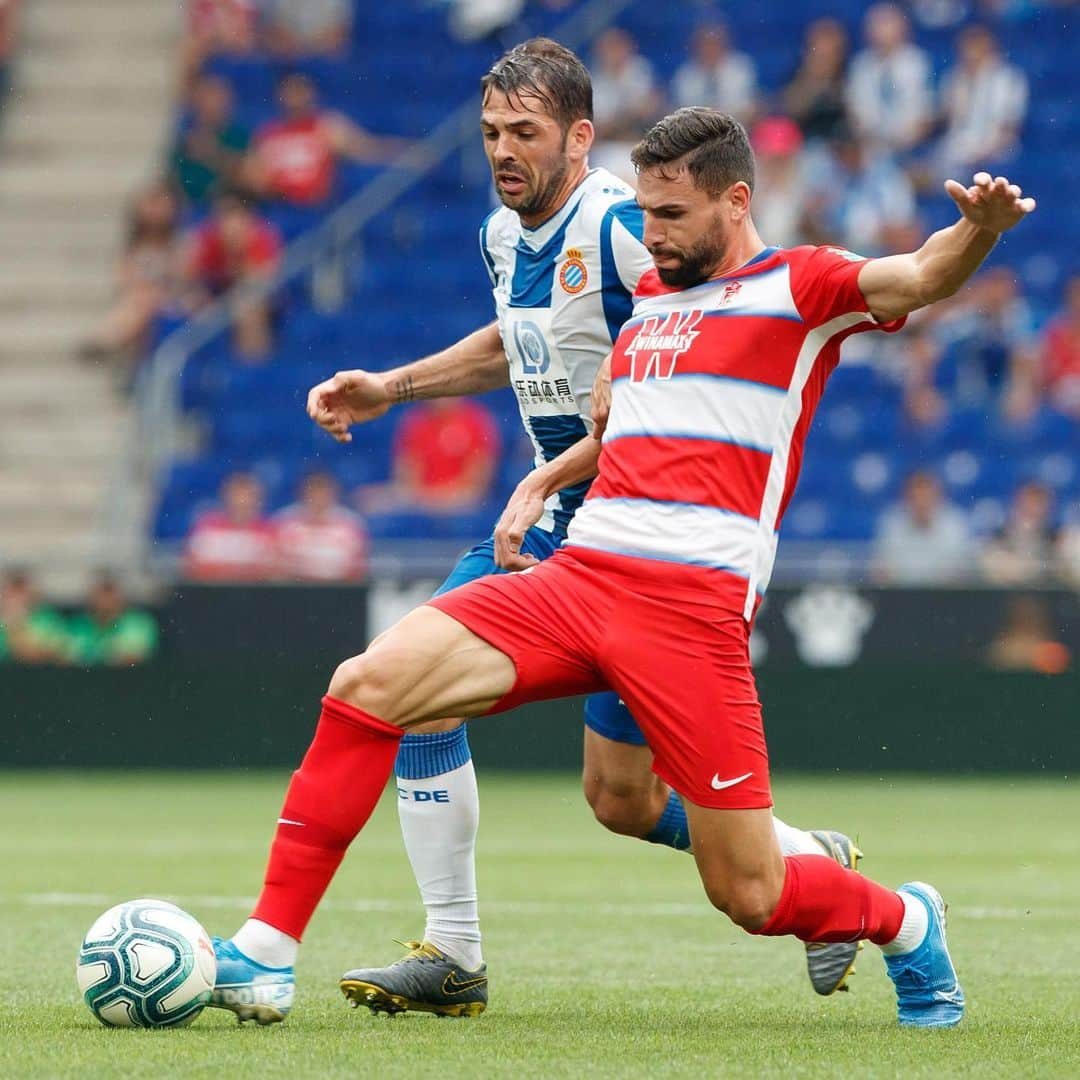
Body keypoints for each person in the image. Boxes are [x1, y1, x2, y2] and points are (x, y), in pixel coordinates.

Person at [211, 109, 1034, 1029]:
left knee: (752, 893)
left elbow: (919, 274)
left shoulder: (798, 288)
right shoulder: (647, 318)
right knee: (370, 685)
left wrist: (979, 232)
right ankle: (267, 953)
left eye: (671, 215)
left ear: (736, 199)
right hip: (581, 579)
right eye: (644, 213)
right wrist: (539, 485)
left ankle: (904, 920)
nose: (652, 236)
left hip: (690, 617)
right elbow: (616, 443)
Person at [248, 73, 406, 208]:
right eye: (289, 92)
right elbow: (256, 179)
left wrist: (407, 153)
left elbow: (367, 150)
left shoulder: (327, 126)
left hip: (317, 207)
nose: (294, 98)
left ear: (310, 94)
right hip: (283, 207)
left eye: (299, 91)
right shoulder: (268, 134)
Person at [81, 181, 183, 377]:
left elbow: (182, 279)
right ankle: (119, 349)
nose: (155, 211)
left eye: (160, 204)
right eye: (151, 204)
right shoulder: (133, 246)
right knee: (141, 300)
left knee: (144, 300)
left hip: (174, 301)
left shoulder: (180, 243)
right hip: (142, 302)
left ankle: (106, 339)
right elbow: (123, 278)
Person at [181, 191, 282, 357]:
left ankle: (251, 370)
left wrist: (238, 254)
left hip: (258, 299)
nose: (228, 225)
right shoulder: (209, 239)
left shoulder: (261, 238)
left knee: (248, 307)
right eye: (223, 217)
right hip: (218, 295)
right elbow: (189, 276)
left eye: (234, 217)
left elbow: (261, 281)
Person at [361, 398, 501, 514]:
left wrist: (431, 500)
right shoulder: (415, 422)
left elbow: (476, 488)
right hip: (421, 501)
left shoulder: (476, 422)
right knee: (369, 501)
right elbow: (407, 480)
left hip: (460, 504)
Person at [846, 4, 933, 158]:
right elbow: (855, 113)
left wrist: (908, 139)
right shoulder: (860, 66)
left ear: (903, 28)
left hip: (911, 145)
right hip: (870, 146)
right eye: (877, 25)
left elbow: (926, 111)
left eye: (888, 24)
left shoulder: (918, 62)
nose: (882, 31)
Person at [873, 470, 972, 584]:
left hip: (945, 595)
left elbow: (961, 572)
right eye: (915, 497)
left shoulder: (955, 523)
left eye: (926, 497)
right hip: (901, 594)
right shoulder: (891, 523)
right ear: (906, 499)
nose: (921, 503)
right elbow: (882, 570)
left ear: (938, 497)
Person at [171, 73, 251, 206]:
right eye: (206, 99)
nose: (211, 105)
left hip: (229, 205)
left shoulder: (239, 136)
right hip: (190, 206)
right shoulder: (186, 135)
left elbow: (245, 174)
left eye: (217, 99)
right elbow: (174, 175)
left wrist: (211, 154)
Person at [274, 471, 368, 582]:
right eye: (314, 491)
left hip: (338, 587)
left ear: (333, 492)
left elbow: (357, 565)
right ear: (303, 492)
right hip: (296, 586)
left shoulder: (351, 523)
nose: (318, 497)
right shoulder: (284, 521)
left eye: (323, 491)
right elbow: (277, 563)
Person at [184, 471, 277, 581]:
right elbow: (192, 566)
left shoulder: (271, 531)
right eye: (237, 494)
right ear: (225, 496)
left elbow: (275, 569)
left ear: (259, 498)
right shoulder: (207, 527)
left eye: (249, 495)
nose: (242, 501)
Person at [670, 22, 758, 127]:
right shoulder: (685, 76)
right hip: (697, 131)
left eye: (714, 43)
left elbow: (752, 105)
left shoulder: (741, 67)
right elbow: (680, 111)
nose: (710, 49)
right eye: (705, 44)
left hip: (736, 126)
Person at [64, 573, 159, 667]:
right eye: (101, 593)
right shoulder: (78, 625)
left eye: (110, 592)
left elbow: (136, 657)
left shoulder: (139, 624)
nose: (105, 600)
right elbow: (69, 656)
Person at [0, 569, 67, 664]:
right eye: (11, 594)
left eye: (20, 593)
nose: (15, 600)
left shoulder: (48, 620)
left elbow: (62, 653)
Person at [262, 0, 352, 58]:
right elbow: (273, 29)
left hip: (324, 62)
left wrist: (306, 45)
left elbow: (339, 33)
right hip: (287, 60)